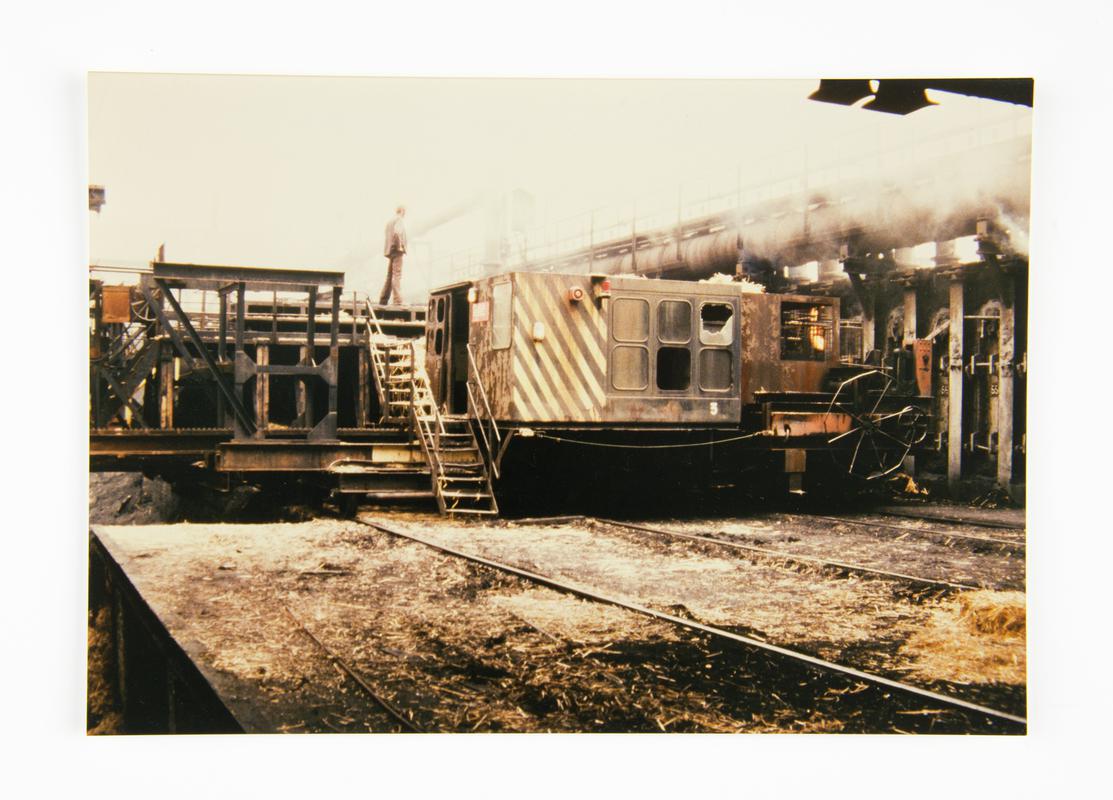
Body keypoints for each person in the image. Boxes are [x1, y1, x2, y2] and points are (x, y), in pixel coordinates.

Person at [379, 205, 407, 305]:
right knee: (397, 275)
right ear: (402, 211)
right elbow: (397, 233)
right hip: (397, 251)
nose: (405, 214)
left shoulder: (389, 221)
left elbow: (388, 235)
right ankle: (397, 301)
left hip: (390, 251)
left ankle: (383, 299)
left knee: (390, 275)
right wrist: (399, 246)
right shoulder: (399, 220)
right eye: (405, 212)